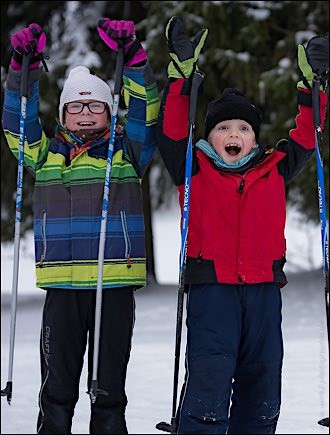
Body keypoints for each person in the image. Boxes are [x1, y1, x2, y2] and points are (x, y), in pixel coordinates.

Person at [157, 16, 328, 434]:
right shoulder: (192, 168)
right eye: (223, 127)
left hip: (264, 292)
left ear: (254, 139)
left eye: (243, 128)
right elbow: (173, 129)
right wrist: (182, 75)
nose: (234, 133)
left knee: (263, 378)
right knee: (210, 380)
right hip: (212, 290)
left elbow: (308, 136)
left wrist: (313, 88)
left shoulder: (275, 168)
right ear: (210, 137)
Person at [2, 19, 159, 434]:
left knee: (108, 392)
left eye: (95, 106)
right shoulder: (43, 156)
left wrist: (136, 62)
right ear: (64, 114)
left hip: (114, 285)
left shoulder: (127, 152)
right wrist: (23, 69)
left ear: (108, 112)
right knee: (57, 391)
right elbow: (18, 121)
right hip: (63, 286)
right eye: (76, 106)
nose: (85, 113)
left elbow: (147, 113)